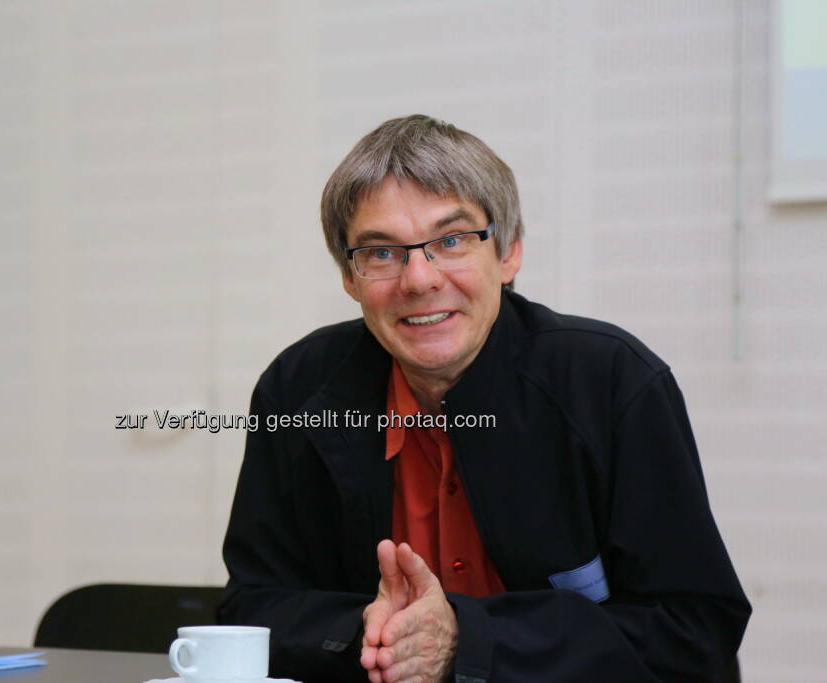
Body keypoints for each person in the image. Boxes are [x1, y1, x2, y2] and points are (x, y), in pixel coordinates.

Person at [218, 115, 750, 683]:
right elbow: (252, 606)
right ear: (349, 278)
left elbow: (692, 627)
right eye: (381, 253)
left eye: (450, 241)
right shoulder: (299, 390)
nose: (418, 279)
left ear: (510, 253)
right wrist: (372, 634)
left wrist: (466, 639)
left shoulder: (610, 380)